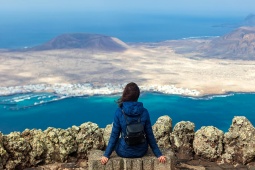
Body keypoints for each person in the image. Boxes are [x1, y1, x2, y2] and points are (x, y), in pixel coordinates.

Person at [101, 82, 166, 165]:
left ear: (125, 94)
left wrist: (106, 155)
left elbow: (114, 135)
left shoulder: (119, 112)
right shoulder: (144, 112)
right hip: (141, 151)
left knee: (118, 140)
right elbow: (150, 135)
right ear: (137, 96)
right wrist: (158, 154)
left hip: (123, 151)